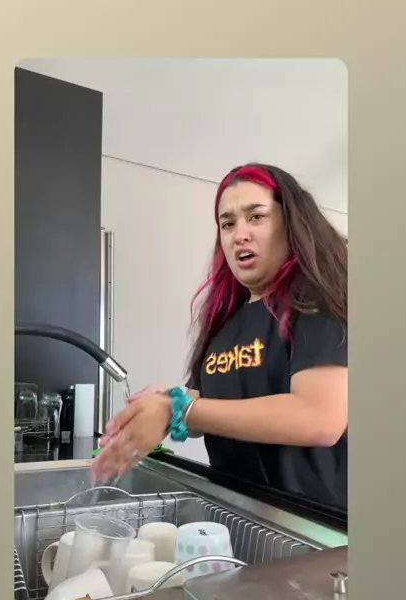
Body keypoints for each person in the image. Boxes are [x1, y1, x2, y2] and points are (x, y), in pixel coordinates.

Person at [92, 163, 348, 510]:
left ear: (292, 223)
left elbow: (319, 418)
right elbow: (211, 403)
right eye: (228, 224)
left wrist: (181, 410)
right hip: (241, 512)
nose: (239, 234)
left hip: (318, 524)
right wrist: (167, 403)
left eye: (256, 217)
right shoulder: (226, 323)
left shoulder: (318, 301)